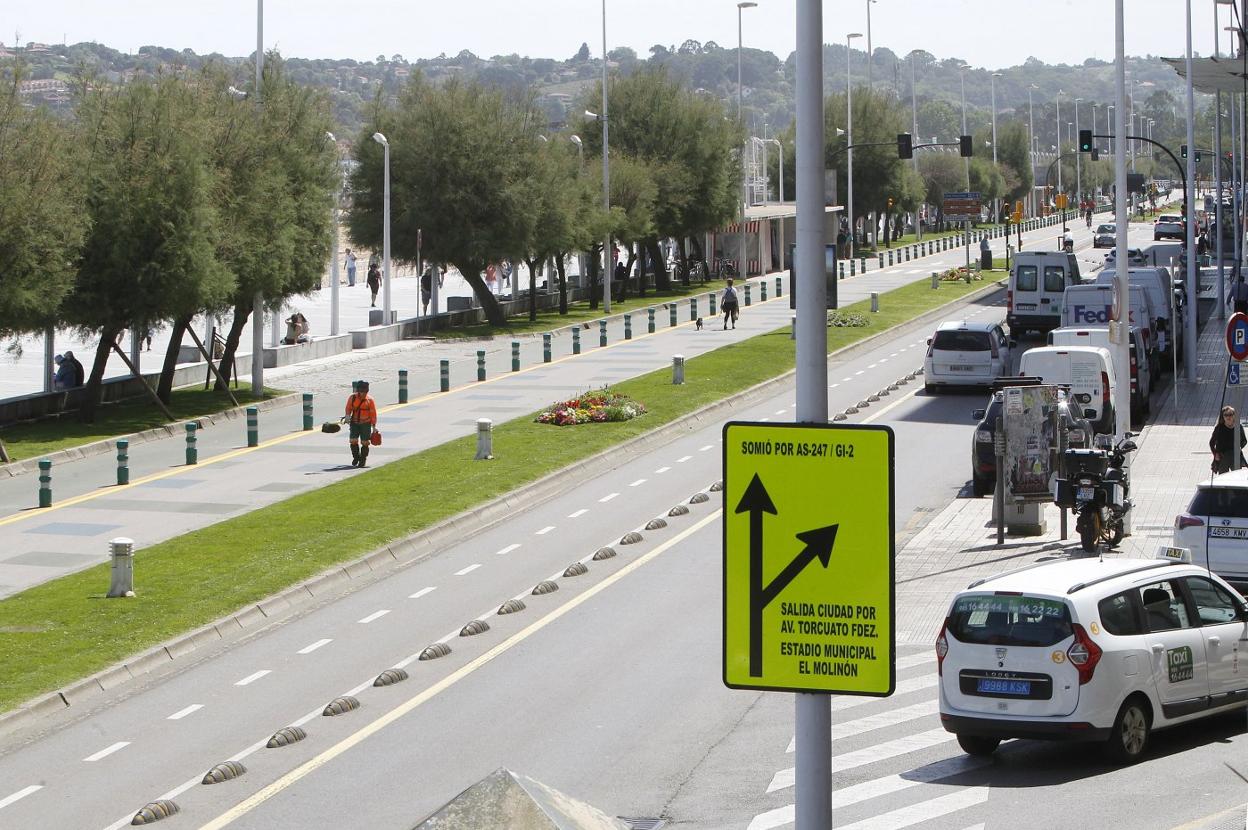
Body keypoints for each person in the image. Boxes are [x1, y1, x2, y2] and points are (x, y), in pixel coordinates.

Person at [344, 380, 378, 468]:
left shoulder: (370, 400)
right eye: (361, 391)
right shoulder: (352, 398)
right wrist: (347, 415)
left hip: (365, 424)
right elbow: (348, 408)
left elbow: (373, 414)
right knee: (353, 440)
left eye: (364, 392)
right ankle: (356, 457)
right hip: (354, 423)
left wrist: (374, 426)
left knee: (365, 442)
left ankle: (363, 460)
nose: (362, 394)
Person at [1210, 405, 1246, 474]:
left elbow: (1244, 440)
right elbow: (1211, 443)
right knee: (1223, 478)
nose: (1228, 417)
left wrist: (1238, 447)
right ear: (1223, 417)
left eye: (1230, 414)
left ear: (1234, 416)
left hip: (1235, 456)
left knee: (1237, 476)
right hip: (1222, 457)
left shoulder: (1238, 427)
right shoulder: (1219, 428)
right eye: (1226, 415)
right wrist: (1215, 454)